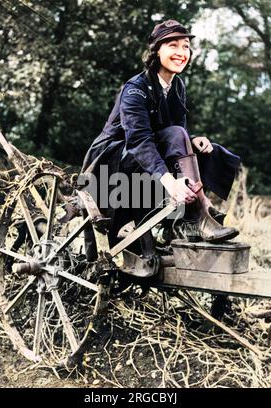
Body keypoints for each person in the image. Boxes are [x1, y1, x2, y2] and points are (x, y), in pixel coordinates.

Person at [79, 19, 241, 268]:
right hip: (110, 164)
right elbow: (139, 140)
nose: (181, 53)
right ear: (156, 51)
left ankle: (192, 215)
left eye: (186, 46)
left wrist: (193, 138)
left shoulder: (177, 85)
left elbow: (174, 131)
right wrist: (169, 182)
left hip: (144, 157)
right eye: (173, 45)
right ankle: (198, 213)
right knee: (177, 135)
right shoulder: (135, 89)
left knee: (209, 150)